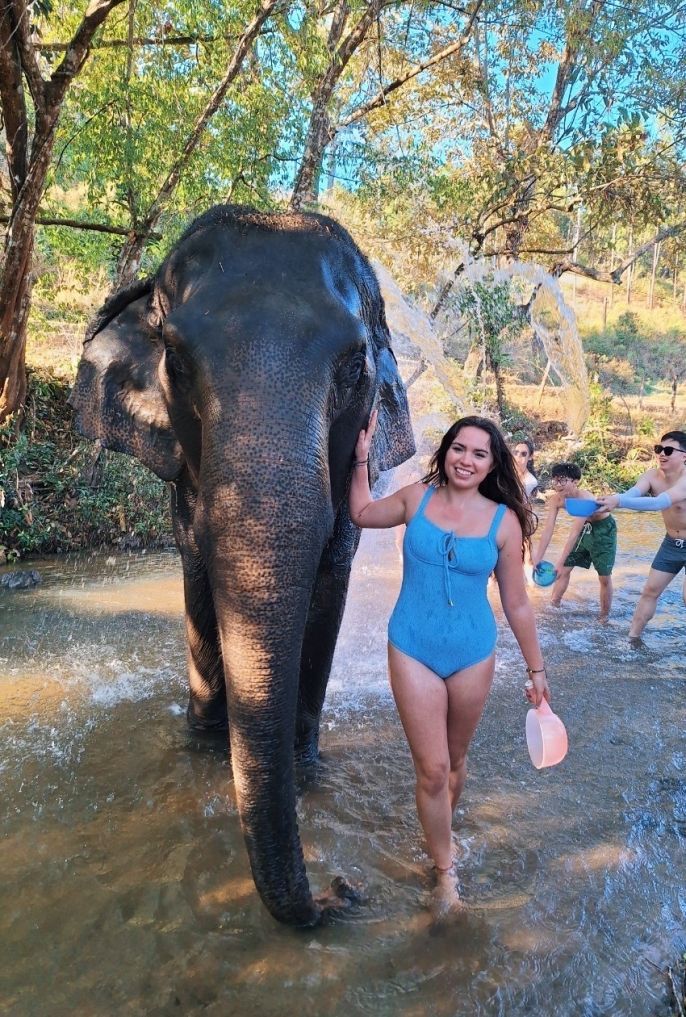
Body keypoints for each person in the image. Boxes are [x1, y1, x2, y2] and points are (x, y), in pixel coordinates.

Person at [349, 412, 550, 916]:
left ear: (491, 464)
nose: (467, 460)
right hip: (412, 644)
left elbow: (517, 603)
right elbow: (363, 514)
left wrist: (537, 671)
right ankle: (445, 872)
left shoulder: (505, 522)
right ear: (446, 451)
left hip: (472, 653)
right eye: (459, 448)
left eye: (479, 453)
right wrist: (360, 461)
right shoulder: (417, 497)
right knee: (434, 769)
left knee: (455, 763)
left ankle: (438, 830)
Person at [596, 431, 686, 644]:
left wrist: (618, 501)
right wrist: (610, 501)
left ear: (684, 456)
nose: (661, 454)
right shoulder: (651, 476)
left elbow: (658, 503)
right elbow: (631, 495)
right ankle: (632, 640)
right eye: (659, 449)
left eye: (668, 450)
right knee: (650, 590)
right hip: (672, 542)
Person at [532, 462, 617, 623]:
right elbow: (548, 530)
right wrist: (538, 557)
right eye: (555, 480)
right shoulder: (555, 500)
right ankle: (554, 606)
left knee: (604, 577)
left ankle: (604, 617)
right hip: (585, 528)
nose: (558, 485)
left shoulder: (585, 499)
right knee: (563, 570)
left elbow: (573, 534)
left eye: (563, 480)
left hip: (603, 531)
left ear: (575, 481)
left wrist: (558, 561)